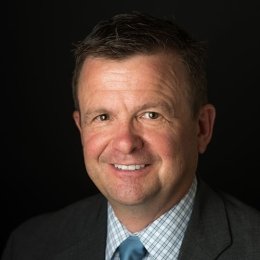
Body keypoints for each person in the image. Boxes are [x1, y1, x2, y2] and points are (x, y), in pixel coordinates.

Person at [2, 12, 260, 260]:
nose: (125, 143)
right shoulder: (29, 245)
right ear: (81, 129)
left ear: (202, 128)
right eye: (103, 117)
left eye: (151, 115)